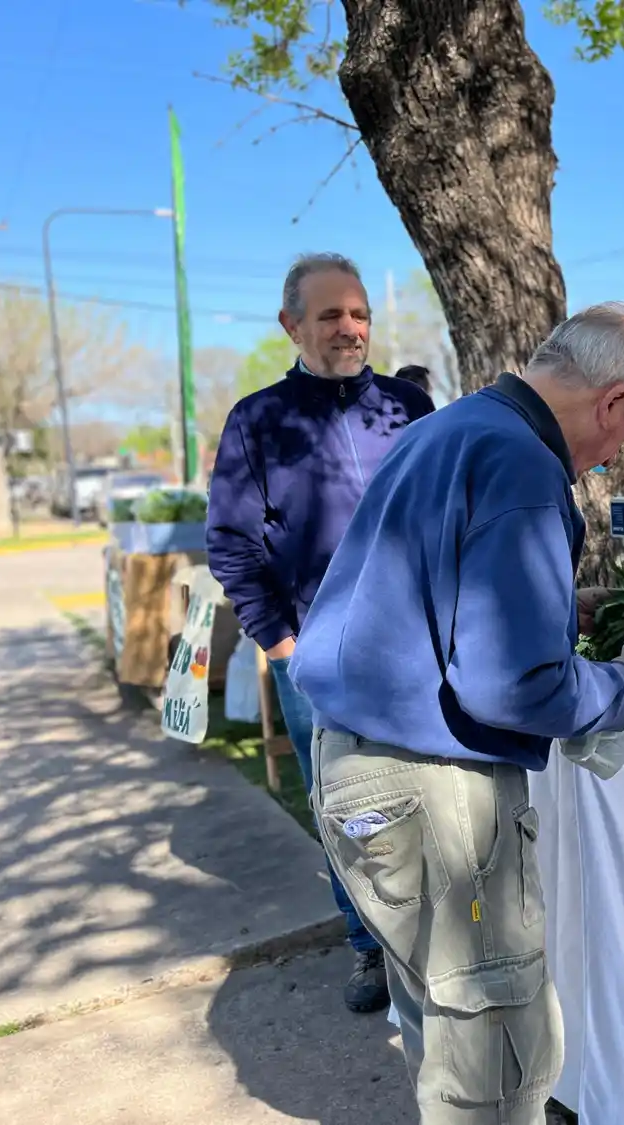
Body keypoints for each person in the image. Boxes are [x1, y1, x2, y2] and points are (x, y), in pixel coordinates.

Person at [288, 302, 624, 1125]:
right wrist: (623, 691)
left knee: (446, 1031)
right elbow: (513, 689)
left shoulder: (456, 426)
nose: (607, 461)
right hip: (435, 795)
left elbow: (430, 593)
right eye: (622, 439)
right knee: (494, 1060)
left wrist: (561, 608)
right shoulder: (524, 464)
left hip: (357, 768)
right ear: (611, 402)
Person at [206, 252, 434, 1014]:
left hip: (418, 651)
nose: (349, 327)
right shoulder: (258, 422)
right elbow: (232, 545)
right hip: (316, 660)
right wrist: (283, 649)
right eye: (331, 314)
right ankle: (367, 943)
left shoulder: (409, 409)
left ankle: (437, 937)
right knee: (344, 804)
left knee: (431, 793)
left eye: (359, 312)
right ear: (291, 324)